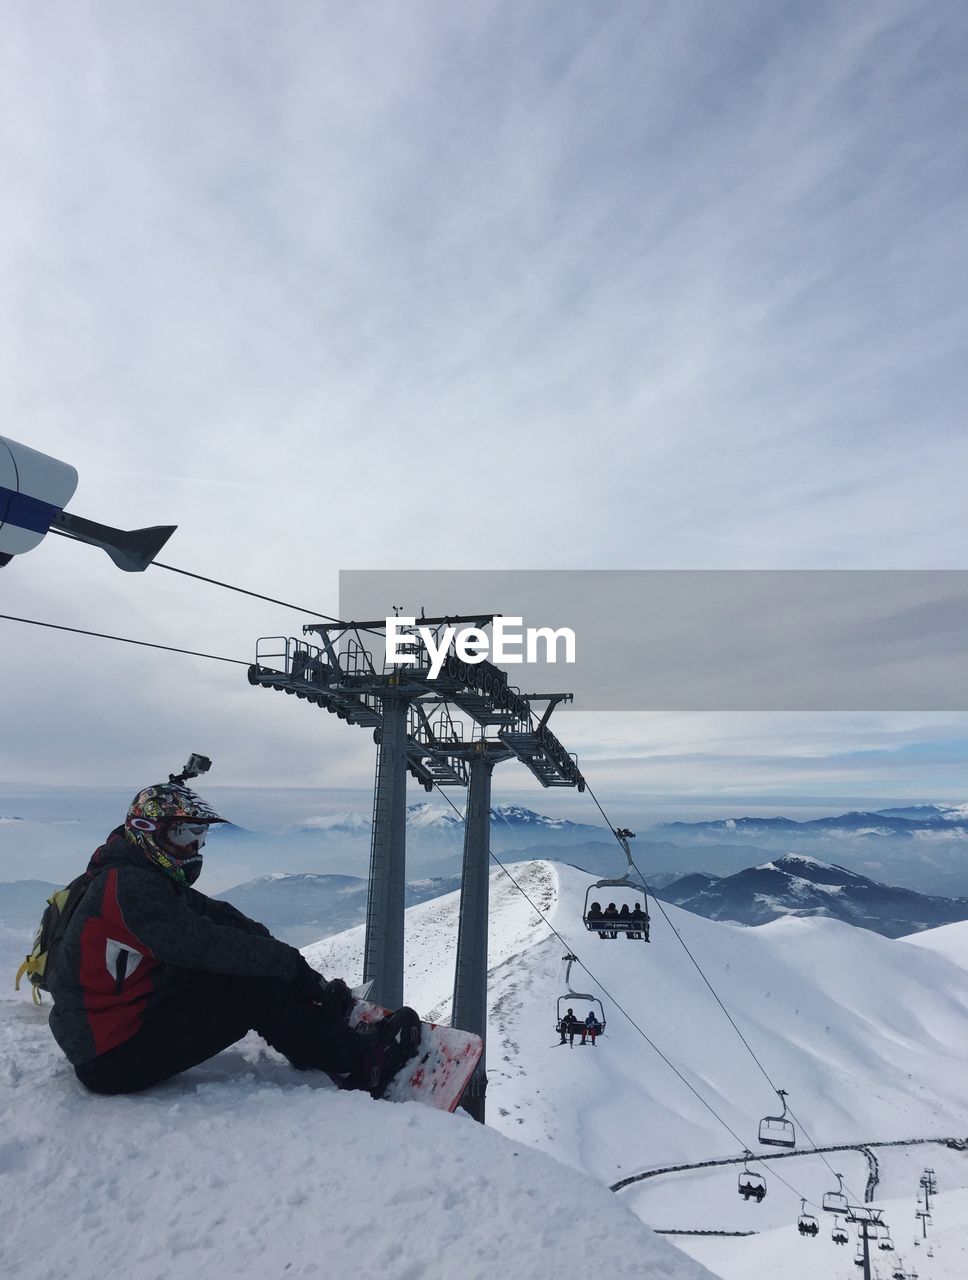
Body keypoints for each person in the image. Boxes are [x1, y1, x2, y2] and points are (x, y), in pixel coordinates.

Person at [46, 778, 419, 1097]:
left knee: (254, 963)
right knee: (252, 991)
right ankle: (362, 1065)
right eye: (181, 835)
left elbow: (216, 915)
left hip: (118, 1024)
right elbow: (207, 945)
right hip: (110, 1055)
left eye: (199, 836)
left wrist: (290, 966)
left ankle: (314, 1035)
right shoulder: (131, 888)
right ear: (146, 831)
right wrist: (288, 965)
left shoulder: (136, 872)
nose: (193, 848)